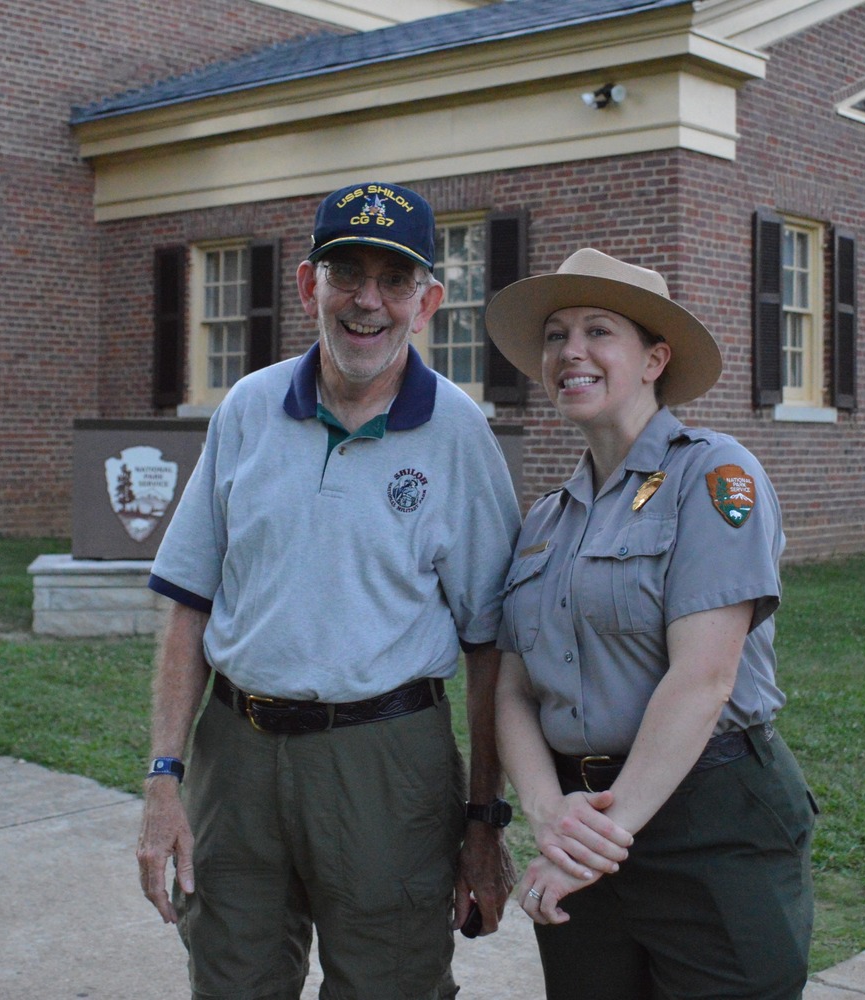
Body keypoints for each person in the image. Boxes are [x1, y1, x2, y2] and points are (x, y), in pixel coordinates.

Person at [137, 181, 522, 1000]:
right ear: (310, 285)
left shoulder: (458, 434)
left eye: (394, 280)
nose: (368, 301)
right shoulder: (247, 409)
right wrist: (164, 780)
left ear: (427, 303)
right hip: (233, 758)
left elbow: (491, 648)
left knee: (391, 984)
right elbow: (189, 609)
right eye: (348, 274)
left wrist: (484, 823)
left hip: (385, 762)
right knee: (231, 980)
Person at [485, 248, 819, 1000]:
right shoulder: (543, 520)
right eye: (555, 335)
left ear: (653, 358)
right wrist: (549, 816)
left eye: (598, 331)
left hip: (711, 820)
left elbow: (703, 678)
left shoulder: (715, 476)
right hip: (584, 817)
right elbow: (511, 691)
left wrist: (588, 847)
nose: (570, 351)